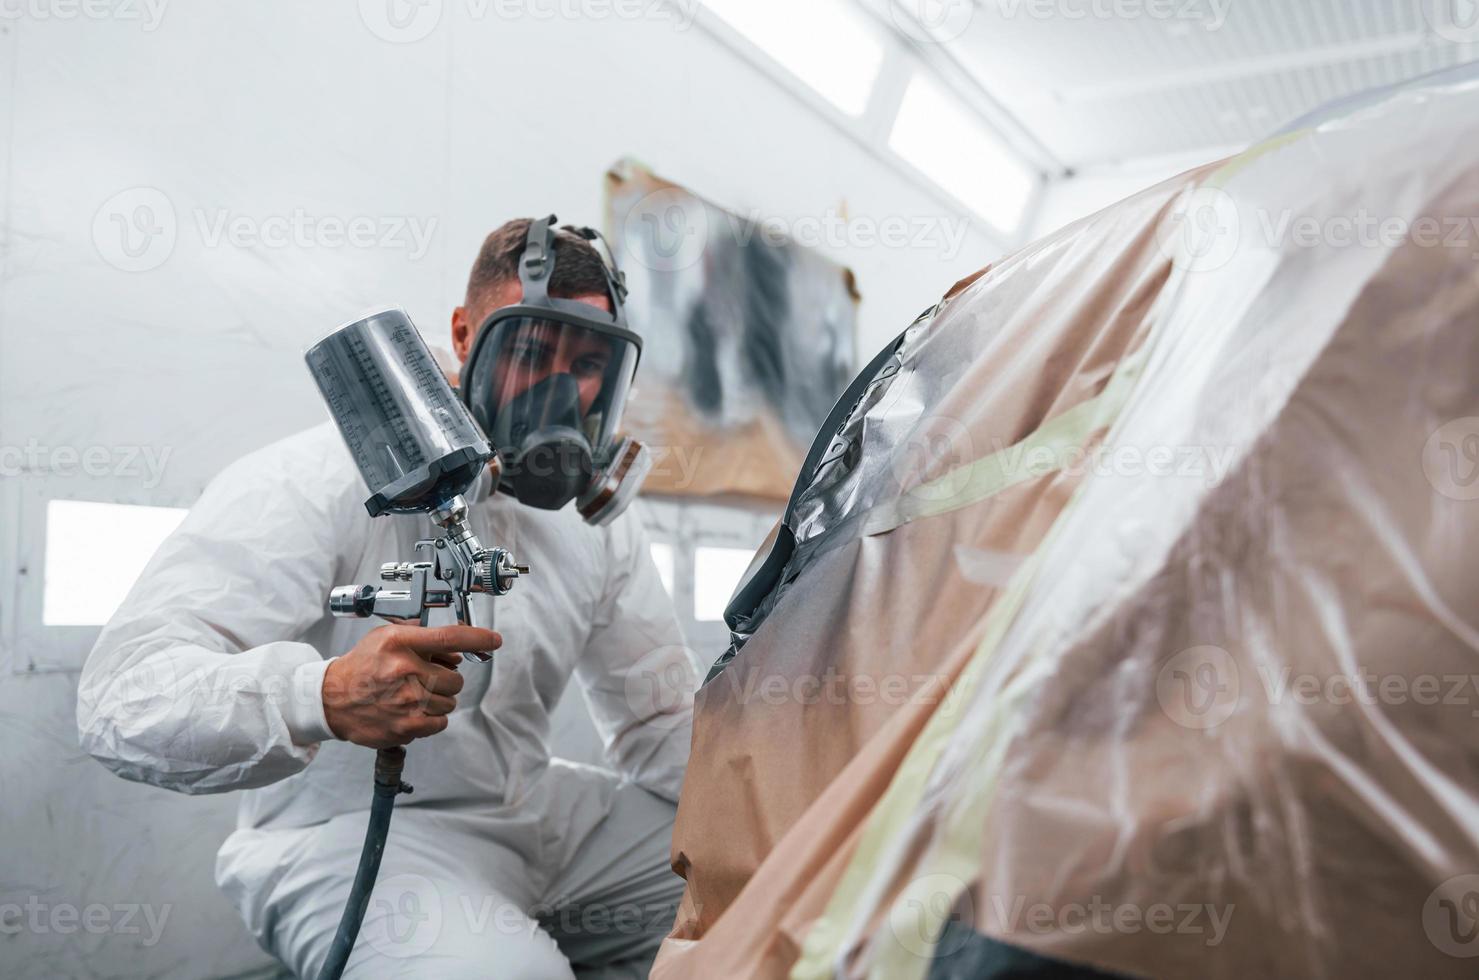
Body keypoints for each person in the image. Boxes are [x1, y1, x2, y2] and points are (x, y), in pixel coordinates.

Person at [77, 217, 696, 979]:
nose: (560, 391)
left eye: (589, 363)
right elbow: (121, 698)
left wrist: (805, 796)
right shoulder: (314, 480)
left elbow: (661, 719)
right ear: (466, 336)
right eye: (532, 353)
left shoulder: (594, 527)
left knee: (761, 873)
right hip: (345, 834)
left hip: (539, 815)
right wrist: (323, 694)